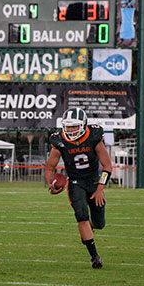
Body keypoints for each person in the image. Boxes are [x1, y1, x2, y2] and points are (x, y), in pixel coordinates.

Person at [45, 107, 112, 269]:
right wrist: (50, 185)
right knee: (81, 215)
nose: (70, 129)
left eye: (74, 126)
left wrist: (100, 188)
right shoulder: (59, 140)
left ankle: (89, 228)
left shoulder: (93, 136)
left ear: (83, 125)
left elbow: (107, 166)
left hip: (94, 182)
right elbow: (49, 167)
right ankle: (94, 257)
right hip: (75, 182)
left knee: (99, 223)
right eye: (68, 126)